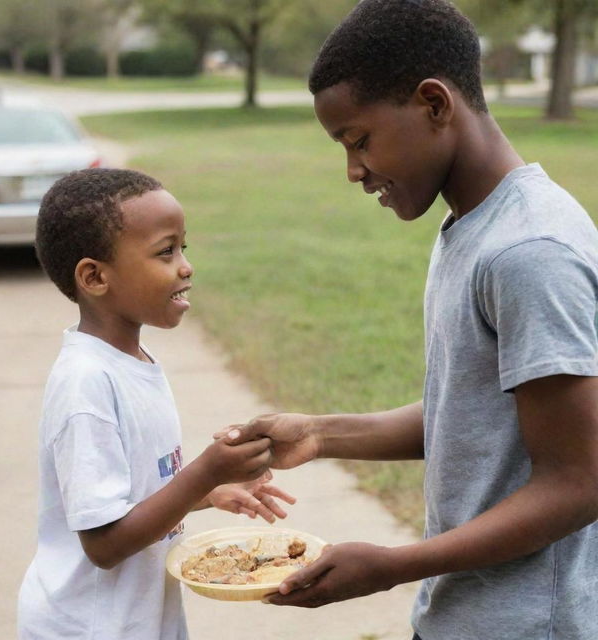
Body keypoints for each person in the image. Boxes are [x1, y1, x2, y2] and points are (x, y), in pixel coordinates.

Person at [218, 1, 598, 639]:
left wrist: (394, 566)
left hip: (531, 624)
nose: (354, 172)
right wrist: (319, 434)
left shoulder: (529, 251)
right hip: (463, 614)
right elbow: (475, 415)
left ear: (434, 104)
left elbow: (580, 479)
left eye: (359, 141)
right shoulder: (474, 228)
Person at [17, 168, 294, 640]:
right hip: (91, 627)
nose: (185, 266)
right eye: (166, 252)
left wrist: (208, 494)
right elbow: (104, 544)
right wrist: (205, 472)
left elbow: (131, 494)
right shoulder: (86, 384)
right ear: (95, 277)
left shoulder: (134, 360)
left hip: (139, 618)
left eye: (185, 248)